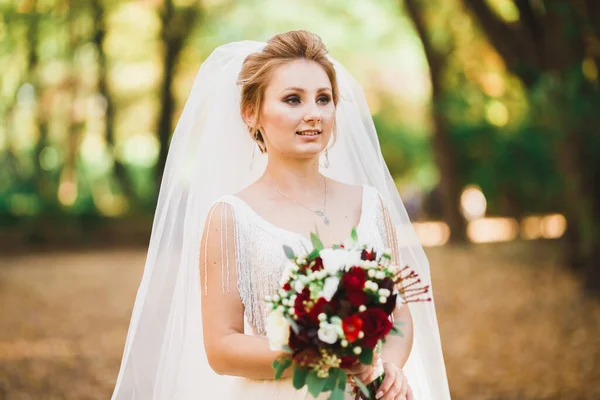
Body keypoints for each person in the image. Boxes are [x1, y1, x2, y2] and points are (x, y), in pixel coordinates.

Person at [111, 30, 450, 400]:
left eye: (324, 99)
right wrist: (326, 356)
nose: (314, 114)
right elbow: (222, 348)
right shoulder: (230, 217)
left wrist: (390, 370)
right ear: (251, 112)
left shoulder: (372, 205)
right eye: (293, 99)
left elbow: (398, 313)